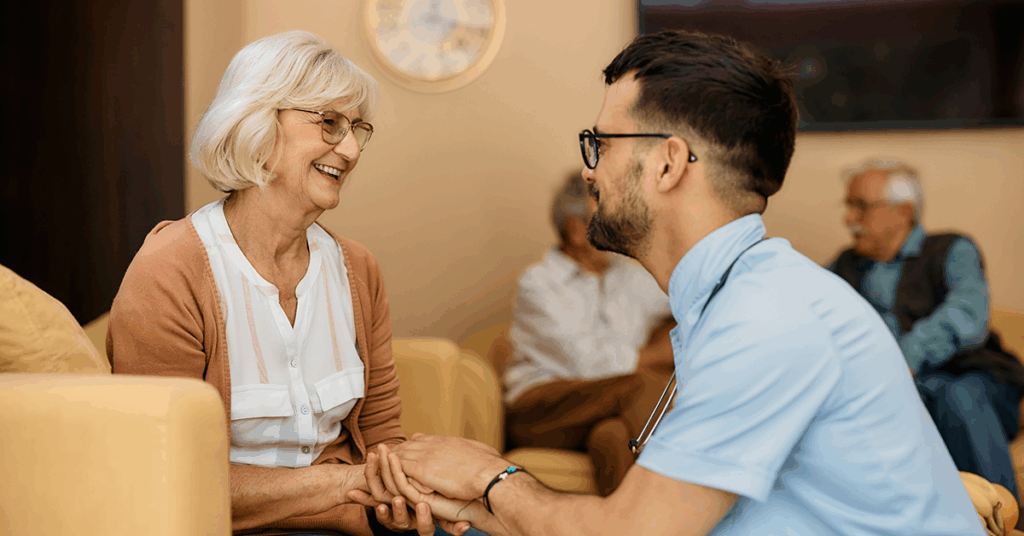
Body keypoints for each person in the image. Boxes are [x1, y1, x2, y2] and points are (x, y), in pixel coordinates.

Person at [355, 29, 987, 536]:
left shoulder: (766, 318)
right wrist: (468, 508)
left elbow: (632, 531)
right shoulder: (736, 299)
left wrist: (488, 475)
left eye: (601, 143)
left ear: (665, 162)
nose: (589, 168)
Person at [107, 31, 473, 536]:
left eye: (357, 129)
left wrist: (409, 498)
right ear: (257, 122)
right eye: (329, 124)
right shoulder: (171, 270)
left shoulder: (358, 269)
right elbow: (164, 471)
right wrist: (345, 492)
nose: (350, 149)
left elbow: (381, 436)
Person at [829, 158, 1024, 502]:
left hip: (979, 382)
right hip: (908, 391)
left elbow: (967, 315)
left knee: (957, 395)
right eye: (848, 206)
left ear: (902, 211)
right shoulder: (845, 265)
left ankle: (1002, 521)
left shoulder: (952, 249)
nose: (848, 218)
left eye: (860, 206)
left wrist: (904, 358)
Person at [503, 172, 674, 496]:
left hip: (608, 406)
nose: (623, 230)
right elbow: (587, 364)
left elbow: (690, 298)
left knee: (611, 437)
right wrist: (658, 357)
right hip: (542, 409)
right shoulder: (539, 283)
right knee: (643, 385)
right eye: (612, 220)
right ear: (577, 230)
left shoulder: (630, 276)